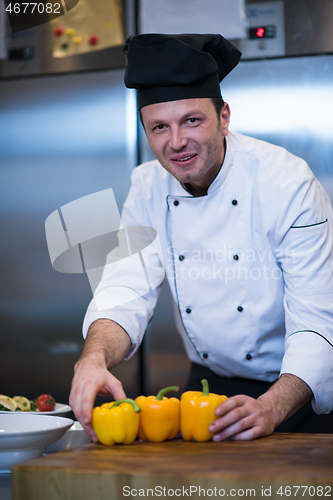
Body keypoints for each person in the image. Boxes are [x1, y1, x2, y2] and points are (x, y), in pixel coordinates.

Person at [69, 34, 333, 442]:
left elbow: (318, 320)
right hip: (206, 395)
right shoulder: (147, 185)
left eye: (192, 120)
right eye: (159, 127)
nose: (176, 142)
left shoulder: (287, 184)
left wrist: (272, 405)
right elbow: (125, 287)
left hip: (296, 394)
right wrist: (93, 358)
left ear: (224, 117)